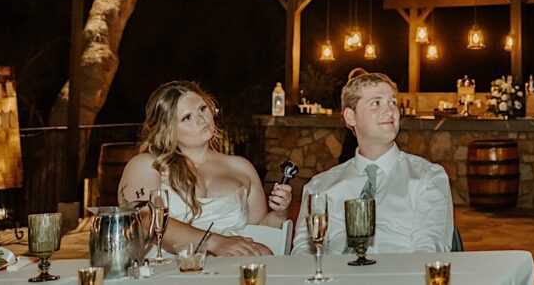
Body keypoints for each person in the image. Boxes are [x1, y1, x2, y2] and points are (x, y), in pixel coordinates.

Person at [119, 81, 293, 256]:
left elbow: (257, 231)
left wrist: (279, 214)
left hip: (231, 268)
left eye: (202, 109)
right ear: (167, 129)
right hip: (168, 270)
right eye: (187, 117)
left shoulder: (241, 167)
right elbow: (146, 219)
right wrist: (215, 242)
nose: (201, 120)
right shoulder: (147, 165)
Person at [292, 72, 453, 254]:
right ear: (351, 117)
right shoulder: (320, 186)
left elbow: (430, 249)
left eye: (392, 102)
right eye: (376, 103)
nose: (390, 110)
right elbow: (303, 254)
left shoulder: (427, 178)